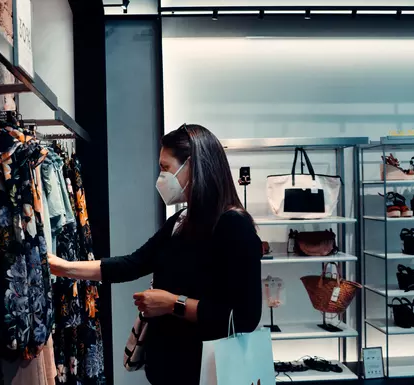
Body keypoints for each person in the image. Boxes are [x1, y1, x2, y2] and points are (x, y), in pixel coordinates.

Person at [49, 124, 263, 385]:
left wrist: (173, 303)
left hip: (208, 373)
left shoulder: (233, 225)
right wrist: (64, 268)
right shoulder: (182, 221)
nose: (160, 177)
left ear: (193, 167)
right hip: (168, 370)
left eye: (165, 167)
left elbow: (245, 317)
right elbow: (133, 263)